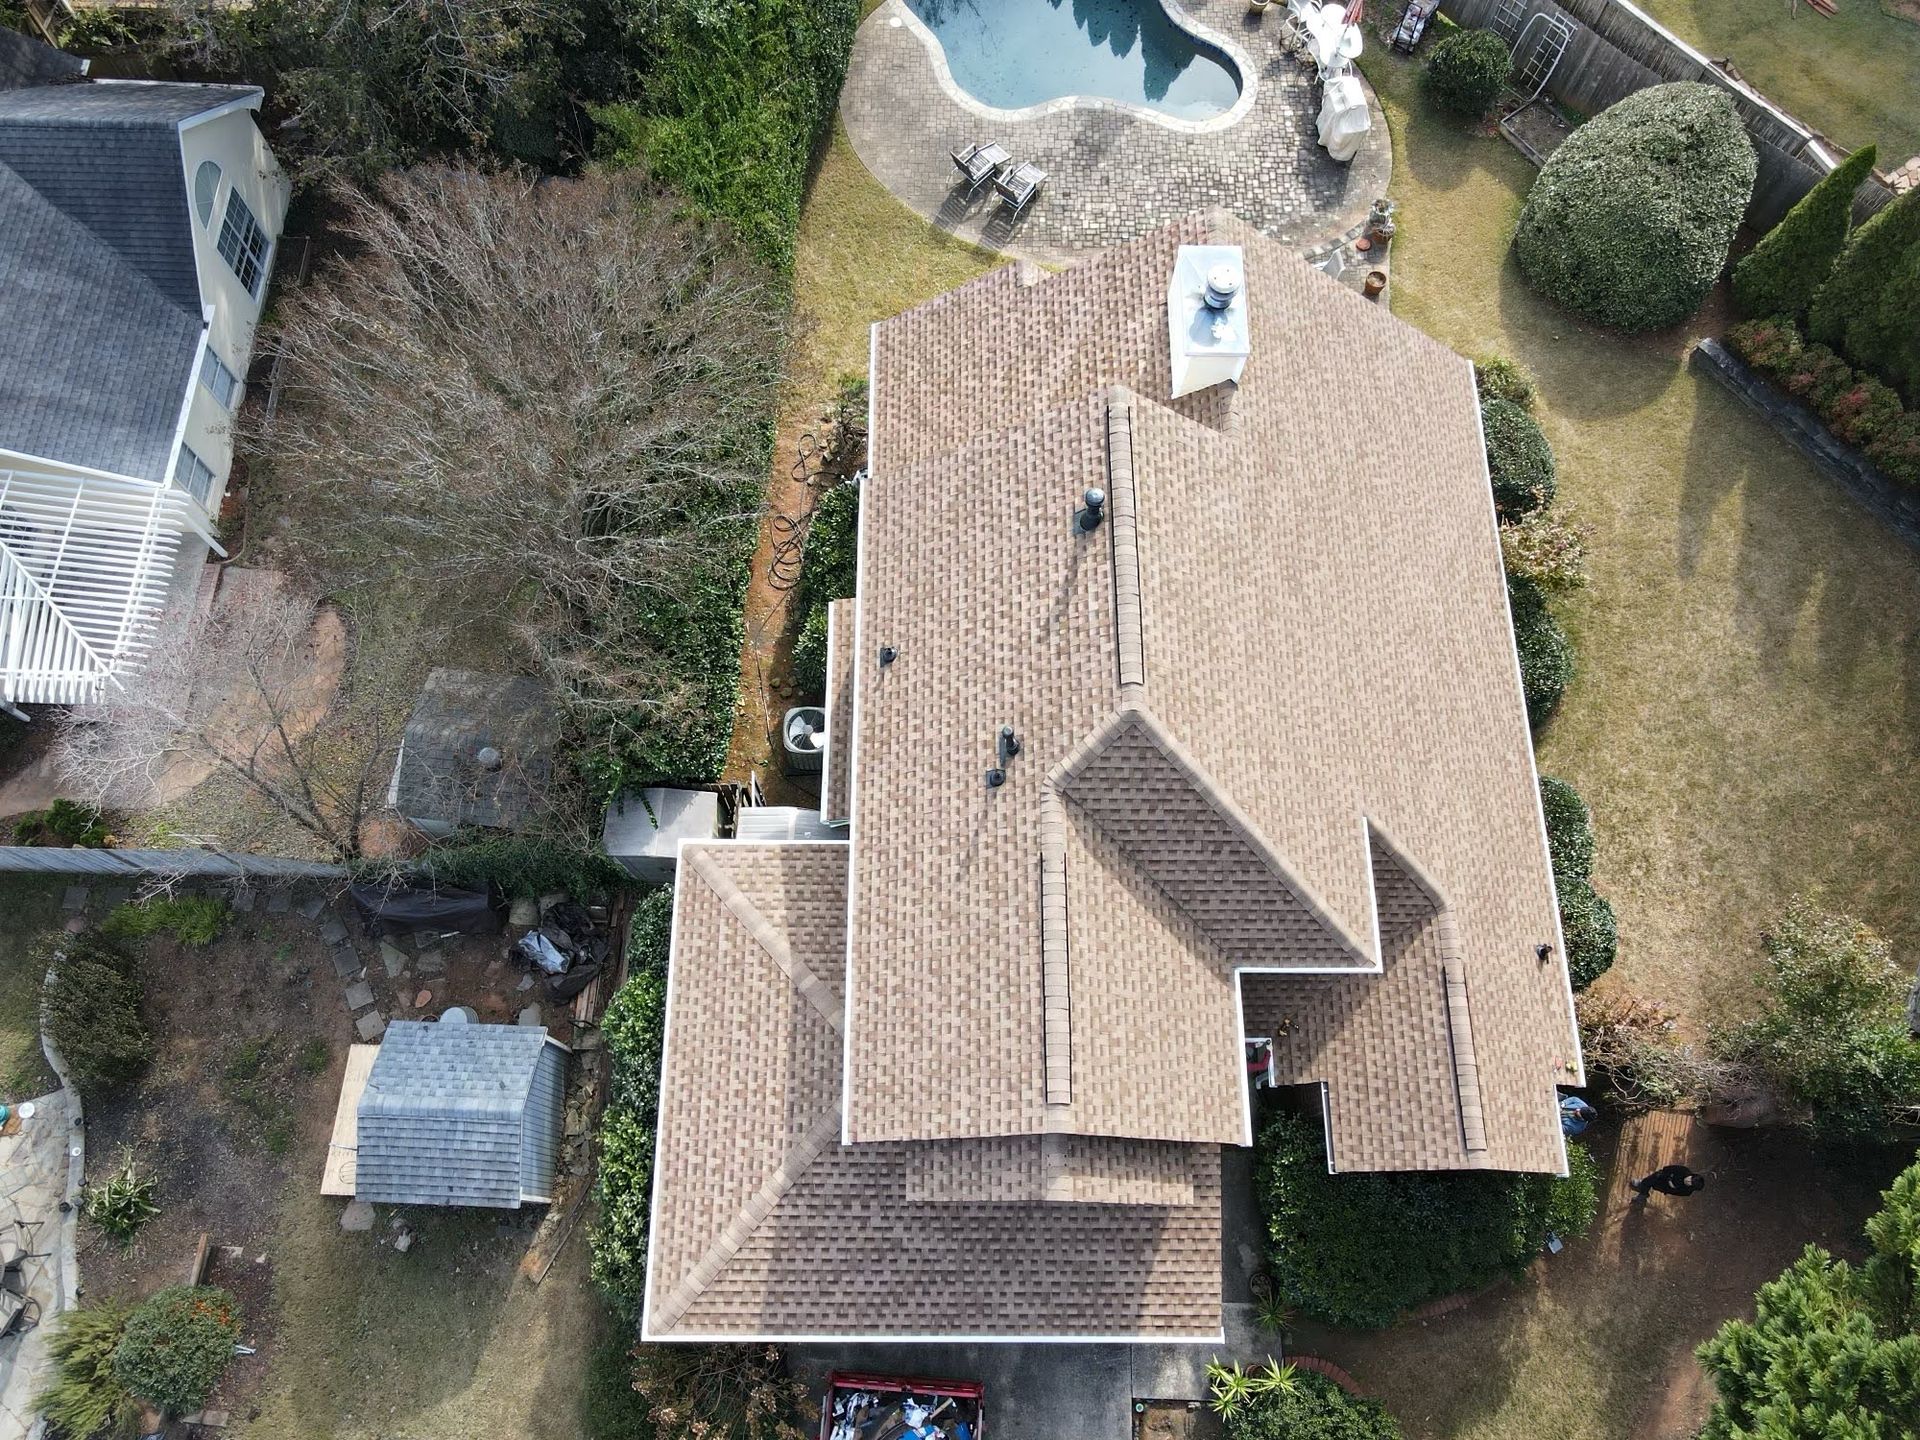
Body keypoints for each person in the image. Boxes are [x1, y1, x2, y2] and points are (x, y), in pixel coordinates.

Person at [1629, 1164, 1706, 1198]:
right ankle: (1642, 1189)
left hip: (1666, 1187)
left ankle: (1643, 1189)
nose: (1690, 1181)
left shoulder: (1687, 1192)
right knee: (1654, 1177)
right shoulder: (1684, 1170)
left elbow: (1674, 1191)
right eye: (1692, 1179)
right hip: (1664, 1175)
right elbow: (1670, 1168)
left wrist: (1670, 1184)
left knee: (1655, 1184)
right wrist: (1667, 1175)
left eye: (1692, 1183)